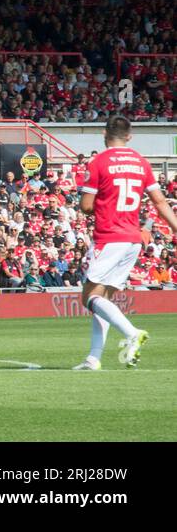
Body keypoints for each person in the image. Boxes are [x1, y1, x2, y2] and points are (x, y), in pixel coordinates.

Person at [74, 116, 177, 370]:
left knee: (88, 296)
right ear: (130, 136)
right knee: (103, 298)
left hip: (110, 237)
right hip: (132, 239)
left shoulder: (98, 162)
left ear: (104, 134)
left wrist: (98, 204)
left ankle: (131, 333)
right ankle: (94, 358)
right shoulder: (142, 163)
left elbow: (86, 206)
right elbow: (160, 202)